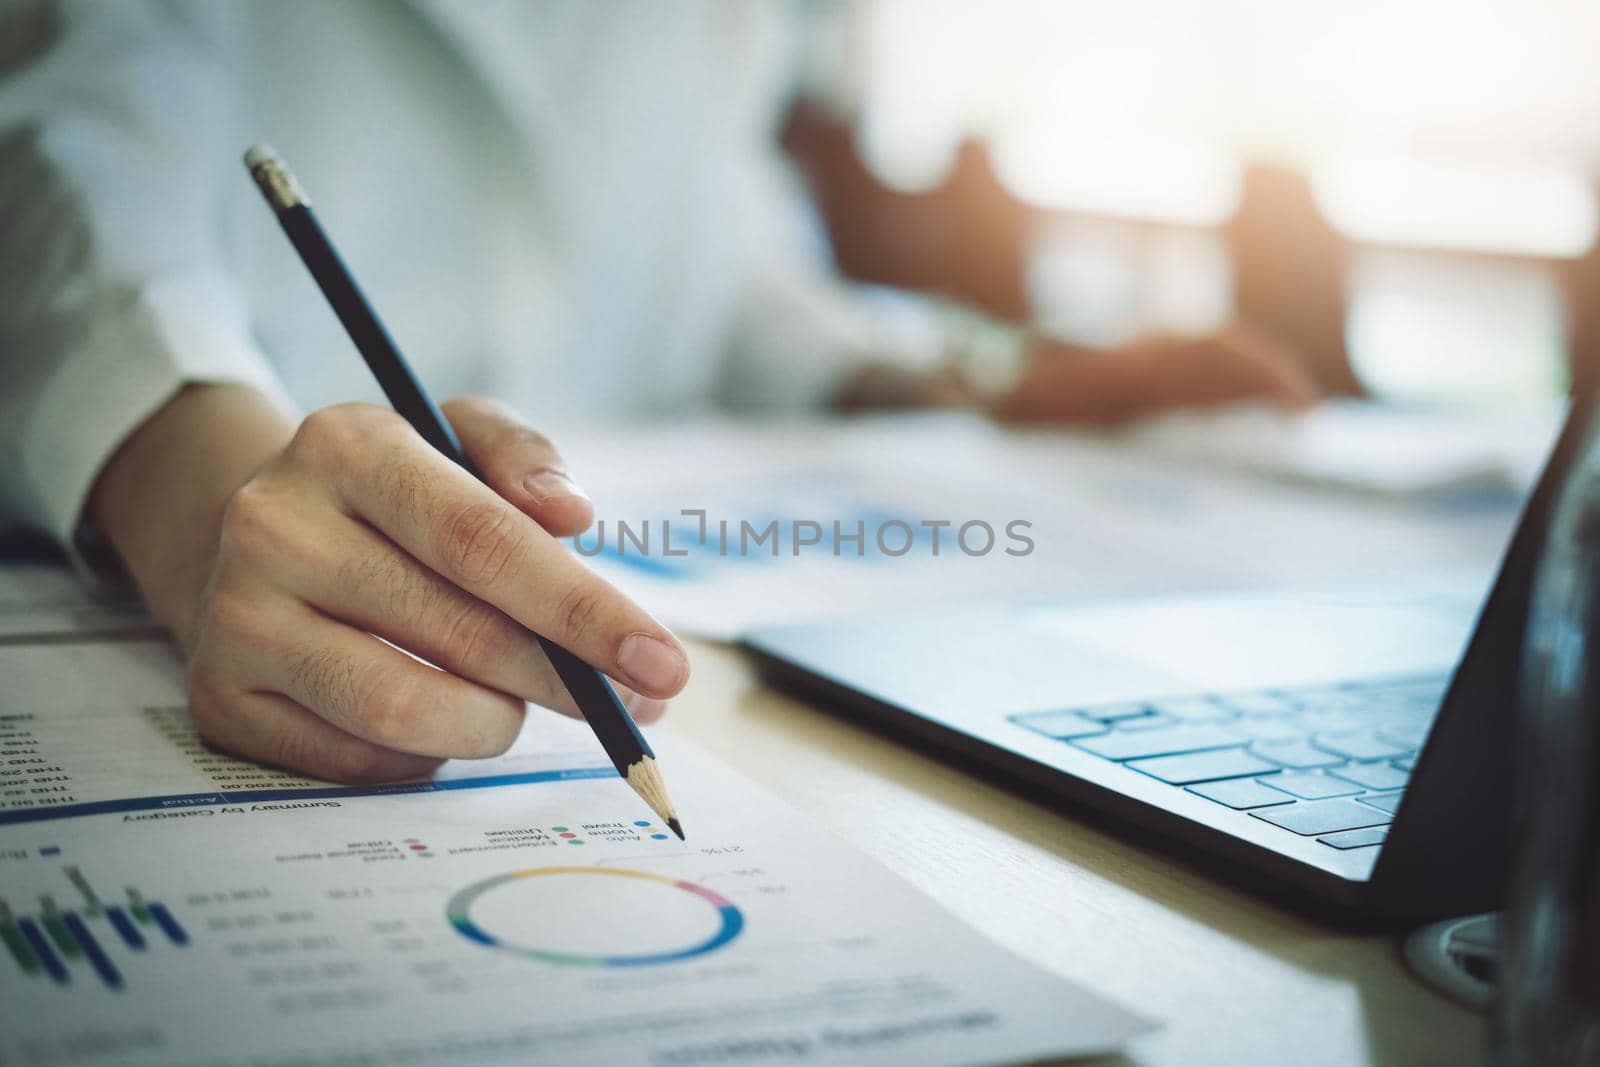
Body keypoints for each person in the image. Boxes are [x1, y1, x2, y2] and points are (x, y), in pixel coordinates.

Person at [0, 1, 1316, 784]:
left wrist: (968, 377)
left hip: (699, 594)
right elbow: (69, 185)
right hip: (277, 568)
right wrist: (215, 484)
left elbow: (738, 266)